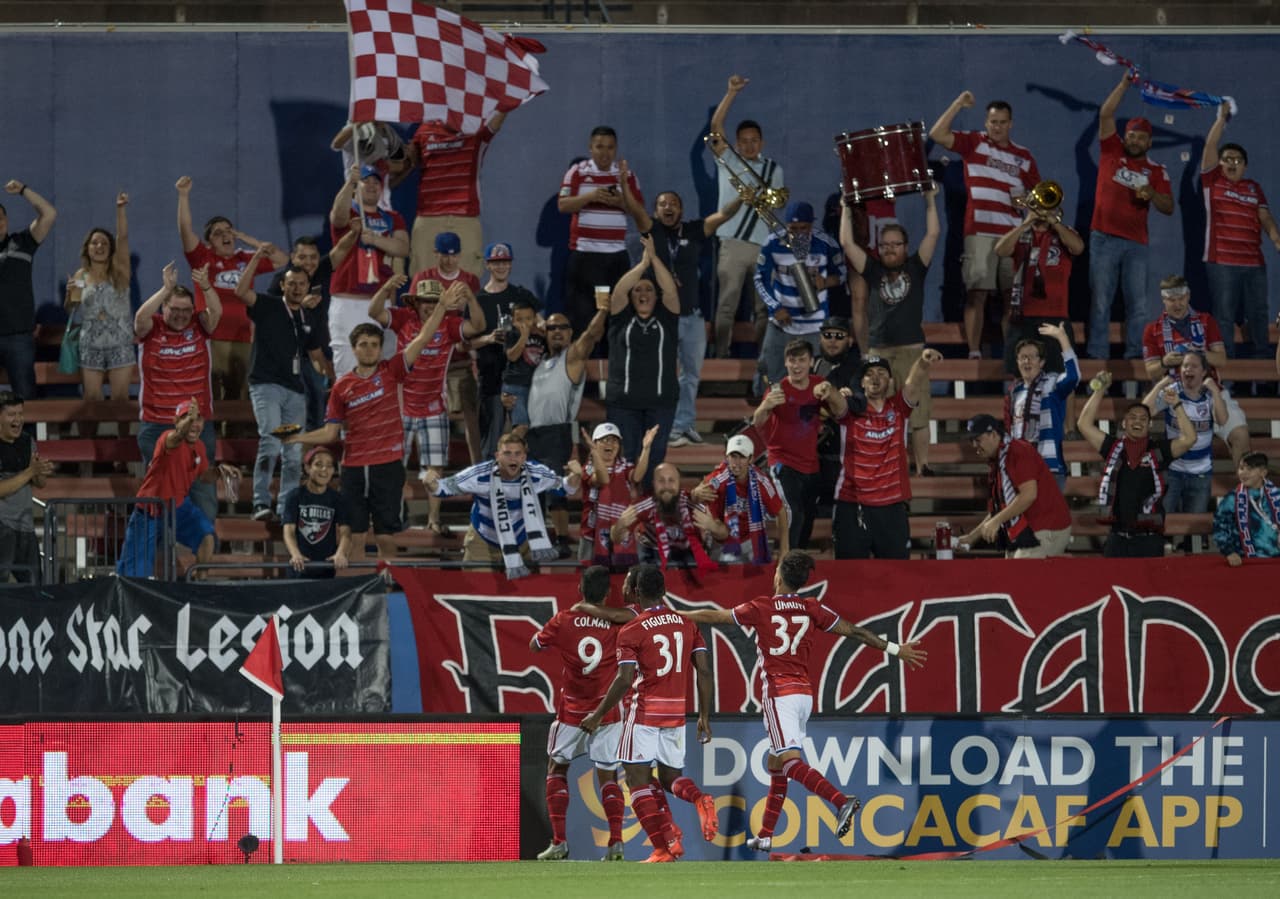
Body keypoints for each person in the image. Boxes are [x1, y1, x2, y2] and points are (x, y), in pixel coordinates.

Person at [679, 550, 927, 852]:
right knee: (776, 763)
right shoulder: (811, 608)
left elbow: (716, 616)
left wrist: (679, 615)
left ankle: (840, 801)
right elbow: (854, 631)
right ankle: (766, 835)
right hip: (804, 696)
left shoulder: (761, 607)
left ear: (778, 576)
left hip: (779, 695)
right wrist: (895, 649)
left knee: (789, 761)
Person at [285, 282, 436, 562]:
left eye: (374, 345)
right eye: (363, 345)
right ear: (353, 349)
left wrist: (442, 307)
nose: (369, 350)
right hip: (354, 467)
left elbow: (424, 337)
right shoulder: (342, 386)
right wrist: (296, 438)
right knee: (353, 535)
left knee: (386, 535)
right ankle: (356, 586)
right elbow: (331, 433)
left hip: (387, 466)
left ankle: (388, 583)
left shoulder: (393, 370)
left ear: (380, 349)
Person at [579, 564, 717, 864]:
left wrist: (598, 714)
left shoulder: (632, 630)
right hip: (676, 713)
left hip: (644, 713)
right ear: (664, 591)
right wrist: (704, 716)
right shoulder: (686, 624)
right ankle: (698, 799)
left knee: (636, 780)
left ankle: (662, 848)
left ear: (636, 592)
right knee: (670, 779)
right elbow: (705, 671)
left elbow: (624, 679)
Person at [530, 565, 635, 862]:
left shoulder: (564, 619)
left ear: (580, 590)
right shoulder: (617, 622)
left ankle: (559, 842)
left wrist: (571, 620)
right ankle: (616, 842)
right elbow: (633, 616)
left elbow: (535, 645)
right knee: (608, 775)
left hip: (573, 711)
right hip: (607, 711)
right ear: (607, 593)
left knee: (557, 768)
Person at [929, 92, 1041, 359]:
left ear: (1010, 124)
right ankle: (974, 352)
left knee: (1011, 297)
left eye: (1002, 122)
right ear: (986, 122)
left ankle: (1012, 355)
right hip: (979, 231)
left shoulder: (1024, 156)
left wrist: (1025, 201)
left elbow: (1039, 197)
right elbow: (937, 134)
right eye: (993, 122)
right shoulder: (975, 143)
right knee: (976, 293)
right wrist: (957, 104)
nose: (997, 127)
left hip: (1012, 234)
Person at [370, 277, 485, 536]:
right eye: (425, 301)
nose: (430, 306)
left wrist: (470, 297)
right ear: (415, 303)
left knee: (436, 468)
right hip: (400, 406)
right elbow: (374, 312)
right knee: (392, 466)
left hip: (434, 407)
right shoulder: (403, 319)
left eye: (435, 301)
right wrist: (386, 288)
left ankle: (433, 519)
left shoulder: (450, 325)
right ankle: (391, 517)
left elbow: (479, 325)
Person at [840, 188, 941, 476]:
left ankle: (922, 467)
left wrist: (930, 200)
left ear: (905, 246)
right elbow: (847, 242)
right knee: (882, 412)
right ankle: (889, 467)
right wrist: (845, 207)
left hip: (911, 351)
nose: (889, 249)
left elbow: (933, 233)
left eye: (895, 244)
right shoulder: (872, 269)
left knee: (918, 411)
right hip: (879, 352)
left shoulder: (916, 266)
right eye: (884, 245)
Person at [632, 190, 739, 448]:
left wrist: (743, 198)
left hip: (692, 317)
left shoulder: (693, 231)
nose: (668, 207)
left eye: (673, 204)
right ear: (656, 211)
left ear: (681, 210)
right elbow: (633, 209)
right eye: (662, 204)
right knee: (661, 374)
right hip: (662, 318)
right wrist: (624, 184)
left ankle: (684, 425)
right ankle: (659, 427)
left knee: (691, 375)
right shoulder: (651, 230)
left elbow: (723, 215)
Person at [235, 248, 334, 521]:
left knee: (293, 450)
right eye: (292, 283)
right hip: (266, 385)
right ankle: (260, 502)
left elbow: (315, 355)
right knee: (270, 440)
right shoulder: (268, 305)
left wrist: (332, 378)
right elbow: (240, 292)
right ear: (282, 285)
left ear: (307, 287)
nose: (297, 288)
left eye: (302, 284)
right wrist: (256, 260)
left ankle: (286, 506)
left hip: (295, 391)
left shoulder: (306, 317)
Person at [817, 351, 939, 559]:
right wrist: (828, 390)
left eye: (881, 373)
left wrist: (923, 361)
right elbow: (837, 402)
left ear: (890, 380)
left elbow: (913, 383)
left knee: (896, 572)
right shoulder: (851, 410)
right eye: (869, 374)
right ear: (861, 382)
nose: (875, 378)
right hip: (852, 505)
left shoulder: (899, 408)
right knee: (850, 573)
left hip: (892, 508)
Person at [1086, 75, 1174, 360]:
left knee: (1138, 305)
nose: (1135, 140)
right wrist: (1124, 84)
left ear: (1149, 142)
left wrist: (1152, 193)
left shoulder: (1156, 170)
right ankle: (1097, 355)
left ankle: (1135, 355)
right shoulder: (1111, 150)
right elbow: (1106, 113)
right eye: (1132, 135)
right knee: (1100, 301)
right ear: (1125, 137)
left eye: (1141, 137)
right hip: (1103, 238)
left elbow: (1168, 206)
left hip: (1136, 244)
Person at [176, 175, 286, 401]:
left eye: (229, 231)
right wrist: (183, 195)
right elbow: (185, 230)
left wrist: (248, 239)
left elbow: (282, 259)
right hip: (212, 336)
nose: (225, 235)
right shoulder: (202, 258)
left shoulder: (246, 258)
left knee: (241, 396)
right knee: (213, 395)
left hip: (243, 337)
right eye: (218, 233)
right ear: (209, 242)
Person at [424, 431, 583, 578]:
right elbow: (443, 488)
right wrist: (430, 482)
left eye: (517, 454)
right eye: (507, 453)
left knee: (525, 594)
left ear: (524, 457)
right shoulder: (479, 474)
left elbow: (564, 487)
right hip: (484, 541)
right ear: (497, 456)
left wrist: (576, 475)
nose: (513, 458)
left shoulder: (536, 473)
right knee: (479, 592)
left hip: (521, 541)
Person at [134, 263, 223, 525]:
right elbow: (139, 317)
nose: (181, 316)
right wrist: (166, 289)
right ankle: (161, 544)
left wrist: (205, 286)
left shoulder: (200, 325)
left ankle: (205, 546)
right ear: (164, 308)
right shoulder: (151, 327)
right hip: (156, 425)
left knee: (203, 492)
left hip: (198, 426)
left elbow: (217, 312)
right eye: (175, 309)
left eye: (186, 310)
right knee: (159, 493)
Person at [1077, 371, 1197, 557]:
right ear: (1124, 424)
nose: (1137, 422)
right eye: (1132, 417)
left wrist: (1176, 404)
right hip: (1117, 539)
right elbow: (1083, 424)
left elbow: (1189, 438)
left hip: (1149, 539)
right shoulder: (1113, 448)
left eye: (1143, 419)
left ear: (1150, 425)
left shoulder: (1159, 450)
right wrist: (1100, 390)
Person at [707, 74, 785, 359]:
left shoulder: (774, 169)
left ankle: (764, 360)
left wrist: (761, 198)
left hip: (764, 246)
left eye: (754, 141)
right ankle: (721, 357)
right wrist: (731, 92)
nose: (750, 146)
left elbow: (777, 203)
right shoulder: (728, 161)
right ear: (736, 144)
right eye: (744, 141)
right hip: (733, 243)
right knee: (727, 304)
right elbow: (715, 128)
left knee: (764, 307)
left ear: (762, 142)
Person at [117, 398, 238, 578]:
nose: (194, 423)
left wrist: (219, 471)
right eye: (187, 418)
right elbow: (177, 436)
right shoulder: (167, 438)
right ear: (176, 422)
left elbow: (203, 475)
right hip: (150, 509)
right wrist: (189, 421)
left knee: (206, 538)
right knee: (134, 573)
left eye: (198, 419)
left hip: (178, 506)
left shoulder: (199, 446)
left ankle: (199, 585)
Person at [524, 300, 609, 556]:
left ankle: (562, 540)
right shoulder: (538, 361)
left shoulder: (571, 358)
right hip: (531, 434)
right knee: (532, 491)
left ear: (571, 333)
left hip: (556, 431)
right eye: (552, 328)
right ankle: (537, 541)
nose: (557, 331)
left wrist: (603, 309)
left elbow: (591, 335)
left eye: (563, 327)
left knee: (554, 488)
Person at [1141, 274, 1250, 464]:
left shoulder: (1206, 321)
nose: (1177, 304)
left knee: (1240, 434)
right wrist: (1165, 362)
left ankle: (1246, 482)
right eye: (1172, 300)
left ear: (1188, 296)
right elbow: (1151, 371)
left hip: (1208, 388)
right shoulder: (1153, 329)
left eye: (1181, 298)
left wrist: (1198, 354)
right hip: (1173, 390)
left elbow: (1221, 359)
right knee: (1138, 416)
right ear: (1163, 300)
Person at [1200, 102, 1280, 359]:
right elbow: (1210, 147)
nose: (1232, 163)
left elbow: (1265, 217)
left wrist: (1276, 239)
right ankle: (1227, 371)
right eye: (1227, 159)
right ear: (1219, 164)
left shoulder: (1254, 188)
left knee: (1259, 313)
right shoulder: (1213, 182)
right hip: (1222, 262)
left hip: (1254, 263)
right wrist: (1221, 119)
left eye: (1238, 160)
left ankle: (1263, 365)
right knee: (1224, 315)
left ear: (1245, 166)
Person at [558, 126, 644, 338]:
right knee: (582, 320)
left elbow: (640, 211)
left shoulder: (626, 175)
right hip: (585, 256)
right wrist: (591, 196)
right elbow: (563, 205)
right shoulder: (578, 172)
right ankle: (583, 360)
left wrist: (620, 201)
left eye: (610, 147)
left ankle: (614, 359)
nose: (605, 153)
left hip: (616, 257)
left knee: (617, 317)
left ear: (616, 149)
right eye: (599, 147)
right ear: (590, 148)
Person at [267, 232, 359, 431]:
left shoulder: (322, 270)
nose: (308, 262)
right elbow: (271, 319)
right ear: (293, 258)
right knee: (297, 404)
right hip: (289, 355)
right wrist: (299, 305)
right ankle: (293, 444)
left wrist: (354, 230)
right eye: (302, 257)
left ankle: (314, 445)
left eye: (313, 257)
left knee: (319, 402)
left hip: (317, 352)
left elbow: (342, 248)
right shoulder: (280, 282)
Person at [400, 112, 508, 279]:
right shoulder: (424, 128)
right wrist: (406, 155)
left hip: (464, 217)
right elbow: (410, 161)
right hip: (428, 216)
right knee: (423, 282)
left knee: (467, 281)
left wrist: (509, 101)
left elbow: (497, 121)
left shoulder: (475, 127)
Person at [607, 235, 681, 475]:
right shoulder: (621, 318)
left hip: (660, 405)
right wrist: (642, 265)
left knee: (654, 462)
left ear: (656, 296)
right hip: (623, 406)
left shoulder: (666, 319)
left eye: (649, 289)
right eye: (638, 290)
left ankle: (649, 501)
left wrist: (654, 258)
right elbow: (619, 291)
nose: (643, 294)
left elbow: (670, 291)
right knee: (625, 463)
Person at [753, 200, 845, 390]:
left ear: (812, 224)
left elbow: (843, 274)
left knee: (818, 383)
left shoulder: (826, 243)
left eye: (804, 228)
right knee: (768, 379)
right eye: (793, 228)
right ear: (786, 225)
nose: (798, 233)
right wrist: (774, 307)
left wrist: (826, 282)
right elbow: (760, 279)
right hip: (781, 324)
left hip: (815, 326)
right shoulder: (772, 242)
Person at [328, 165, 410, 376]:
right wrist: (349, 183)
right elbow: (337, 216)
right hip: (347, 300)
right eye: (366, 181)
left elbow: (403, 248)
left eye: (376, 182)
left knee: (385, 363)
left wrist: (375, 239)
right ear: (357, 187)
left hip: (379, 302)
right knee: (347, 364)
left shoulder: (392, 217)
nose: (372, 185)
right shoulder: (350, 214)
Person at [410, 231, 485, 463]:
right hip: (429, 360)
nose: (450, 260)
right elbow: (412, 317)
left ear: (460, 255)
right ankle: (426, 469)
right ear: (436, 254)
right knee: (423, 416)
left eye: (454, 255)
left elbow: (477, 321)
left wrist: (469, 301)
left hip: (459, 359)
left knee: (472, 417)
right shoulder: (423, 277)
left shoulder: (470, 280)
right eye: (444, 255)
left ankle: (477, 467)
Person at [993, 190, 1085, 375]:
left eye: (1047, 205)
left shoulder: (1063, 234)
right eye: (1038, 205)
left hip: (1055, 316)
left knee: (1059, 375)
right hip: (1023, 317)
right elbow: (1000, 250)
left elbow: (1078, 247)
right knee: (1021, 375)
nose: (1042, 209)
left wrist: (1054, 222)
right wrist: (1025, 223)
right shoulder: (1021, 235)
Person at [959, 414, 1073, 558]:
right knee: (1010, 569)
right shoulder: (1001, 458)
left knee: (1019, 570)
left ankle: (1065, 566)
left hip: (1047, 527)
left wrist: (997, 521)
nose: (974, 446)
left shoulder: (1018, 451)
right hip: (1027, 530)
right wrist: (971, 537)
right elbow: (1001, 509)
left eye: (977, 440)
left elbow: (1028, 495)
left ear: (993, 434)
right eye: (971, 441)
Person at [751, 338, 824, 549]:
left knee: (807, 516)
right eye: (792, 360)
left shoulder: (819, 385)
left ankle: (797, 559)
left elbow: (837, 409)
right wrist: (765, 405)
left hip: (811, 465)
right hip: (783, 463)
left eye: (802, 360)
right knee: (794, 513)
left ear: (811, 362)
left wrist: (840, 394)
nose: (796, 366)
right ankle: (786, 561)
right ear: (785, 362)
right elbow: (757, 422)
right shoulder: (777, 390)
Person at [472, 242, 540, 457]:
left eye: (505, 262)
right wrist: (489, 338)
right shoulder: (479, 300)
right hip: (492, 379)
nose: (501, 266)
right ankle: (487, 479)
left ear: (510, 264)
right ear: (487, 265)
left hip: (523, 382)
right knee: (491, 445)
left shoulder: (521, 295)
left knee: (526, 442)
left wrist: (531, 329)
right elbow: (465, 343)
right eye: (496, 262)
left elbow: (540, 324)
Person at [65, 192, 133, 403]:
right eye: (94, 243)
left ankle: (121, 430)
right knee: (92, 399)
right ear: (87, 248)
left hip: (120, 342)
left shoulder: (120, 271)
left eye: (104, 243)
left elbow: (123, 238)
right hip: (90, 344)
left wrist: (120, 209)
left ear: (111, 249)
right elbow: (71, 309)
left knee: (120, 399)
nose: (99, 246)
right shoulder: (80, 275)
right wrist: (69, 294)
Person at [1144, 355, 1227, 516]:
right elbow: (1145, 411)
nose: (1188, 369)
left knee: (1194, 526)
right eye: (1185, 366)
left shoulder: (1210, 394)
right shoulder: (1172, 391)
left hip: (1200, 473)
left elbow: (1222, 420)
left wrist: (1216, 391)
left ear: (1204, 372)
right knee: (1164, 519)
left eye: (1194, 366)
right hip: (1172, 470)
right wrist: (1160, 385)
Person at [1002, 323, 1080, 491]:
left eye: (1031, 357)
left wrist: (1062, 338)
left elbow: (1073, 377)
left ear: (1042, 362)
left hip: (1049, 468)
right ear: (1017, 362)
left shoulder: (1052, 383)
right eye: (1022, 357)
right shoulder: (1014, 392)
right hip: (1021, 468)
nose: (1026, 361)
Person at [690, 433, 788, 564]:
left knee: (762, 570)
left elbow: (781, 512)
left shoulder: (762, 482)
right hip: (723, 541)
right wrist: (695, 494)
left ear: (751, 459)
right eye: (733, 456)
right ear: (727, 457)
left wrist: (784, 550)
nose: (736, 463)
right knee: (727, 552)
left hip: (752, 539)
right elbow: (697, 495)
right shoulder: (718, 478)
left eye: (742, 457)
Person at [0, 179, 56, 400]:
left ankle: (26, 428)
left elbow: (49, 214)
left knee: (25, 400)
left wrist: (23, 190)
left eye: (1, 217)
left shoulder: (23, 242)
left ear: (6, 221)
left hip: (19, 338)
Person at [611, 462, 717, 572]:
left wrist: (712, 526)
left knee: (700, 571)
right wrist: (620, 524)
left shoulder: (692, 503)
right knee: (647, 575)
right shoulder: (642, 505)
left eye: (671, 480)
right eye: (661, 481)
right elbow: (616, 538)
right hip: (652, 549)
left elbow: (721, 533)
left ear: (679, 483)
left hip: (685, 549)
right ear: (653, 483)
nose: (666, 486)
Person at [579, 421, 653, 568]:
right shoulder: (588, 468)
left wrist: (646, 448)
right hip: (592, 533)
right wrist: (594, 454)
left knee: (623, 574)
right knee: (592, 575)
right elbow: (603, 479)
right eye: (605, 440)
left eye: (614, 440)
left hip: (621, 529)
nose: (610, 444)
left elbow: (637, 476)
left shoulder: (624, 466)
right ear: (594, 444)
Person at [0, 392, 52, 582]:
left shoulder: (27, 441)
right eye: (11, 414)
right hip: (2, 526)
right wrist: (30, 472)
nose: (18, 419)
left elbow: (41, 484)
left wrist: (40, 470)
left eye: (20, 414)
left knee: (35, 586)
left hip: (25, 526)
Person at [281, 446, 352, 579]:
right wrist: (295, 554)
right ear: (307, 468)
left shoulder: (337, 499)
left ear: (333, 470)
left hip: (326, 569)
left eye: (329, 465)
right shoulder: (295, 496)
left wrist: (341, 553)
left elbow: (346, 532)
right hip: (298, 569)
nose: (324, 469)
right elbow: (288, 530)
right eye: (318, 464)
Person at [1213, 452, 1280, 565]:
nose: (1243, 473)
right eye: (1241, 468)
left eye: (1249, 469)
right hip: (1246, 561)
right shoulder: (1232, 499)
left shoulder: (1277, 495)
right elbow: (1220, 527)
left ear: (1263, 472)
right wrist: (1229, 552)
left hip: (1276, 560)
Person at [500, 298, 545, 432]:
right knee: (521, 425)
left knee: (535, 428)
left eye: (528, 318)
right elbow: (512, 356)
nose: (524, 323)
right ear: (513, 321)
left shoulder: (541, 336)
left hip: (536, 388)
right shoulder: (512, 335)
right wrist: (523, 337)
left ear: (535, 319)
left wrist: (544, 330)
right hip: (515, 386)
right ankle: (510, 445)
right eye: (519, 319)